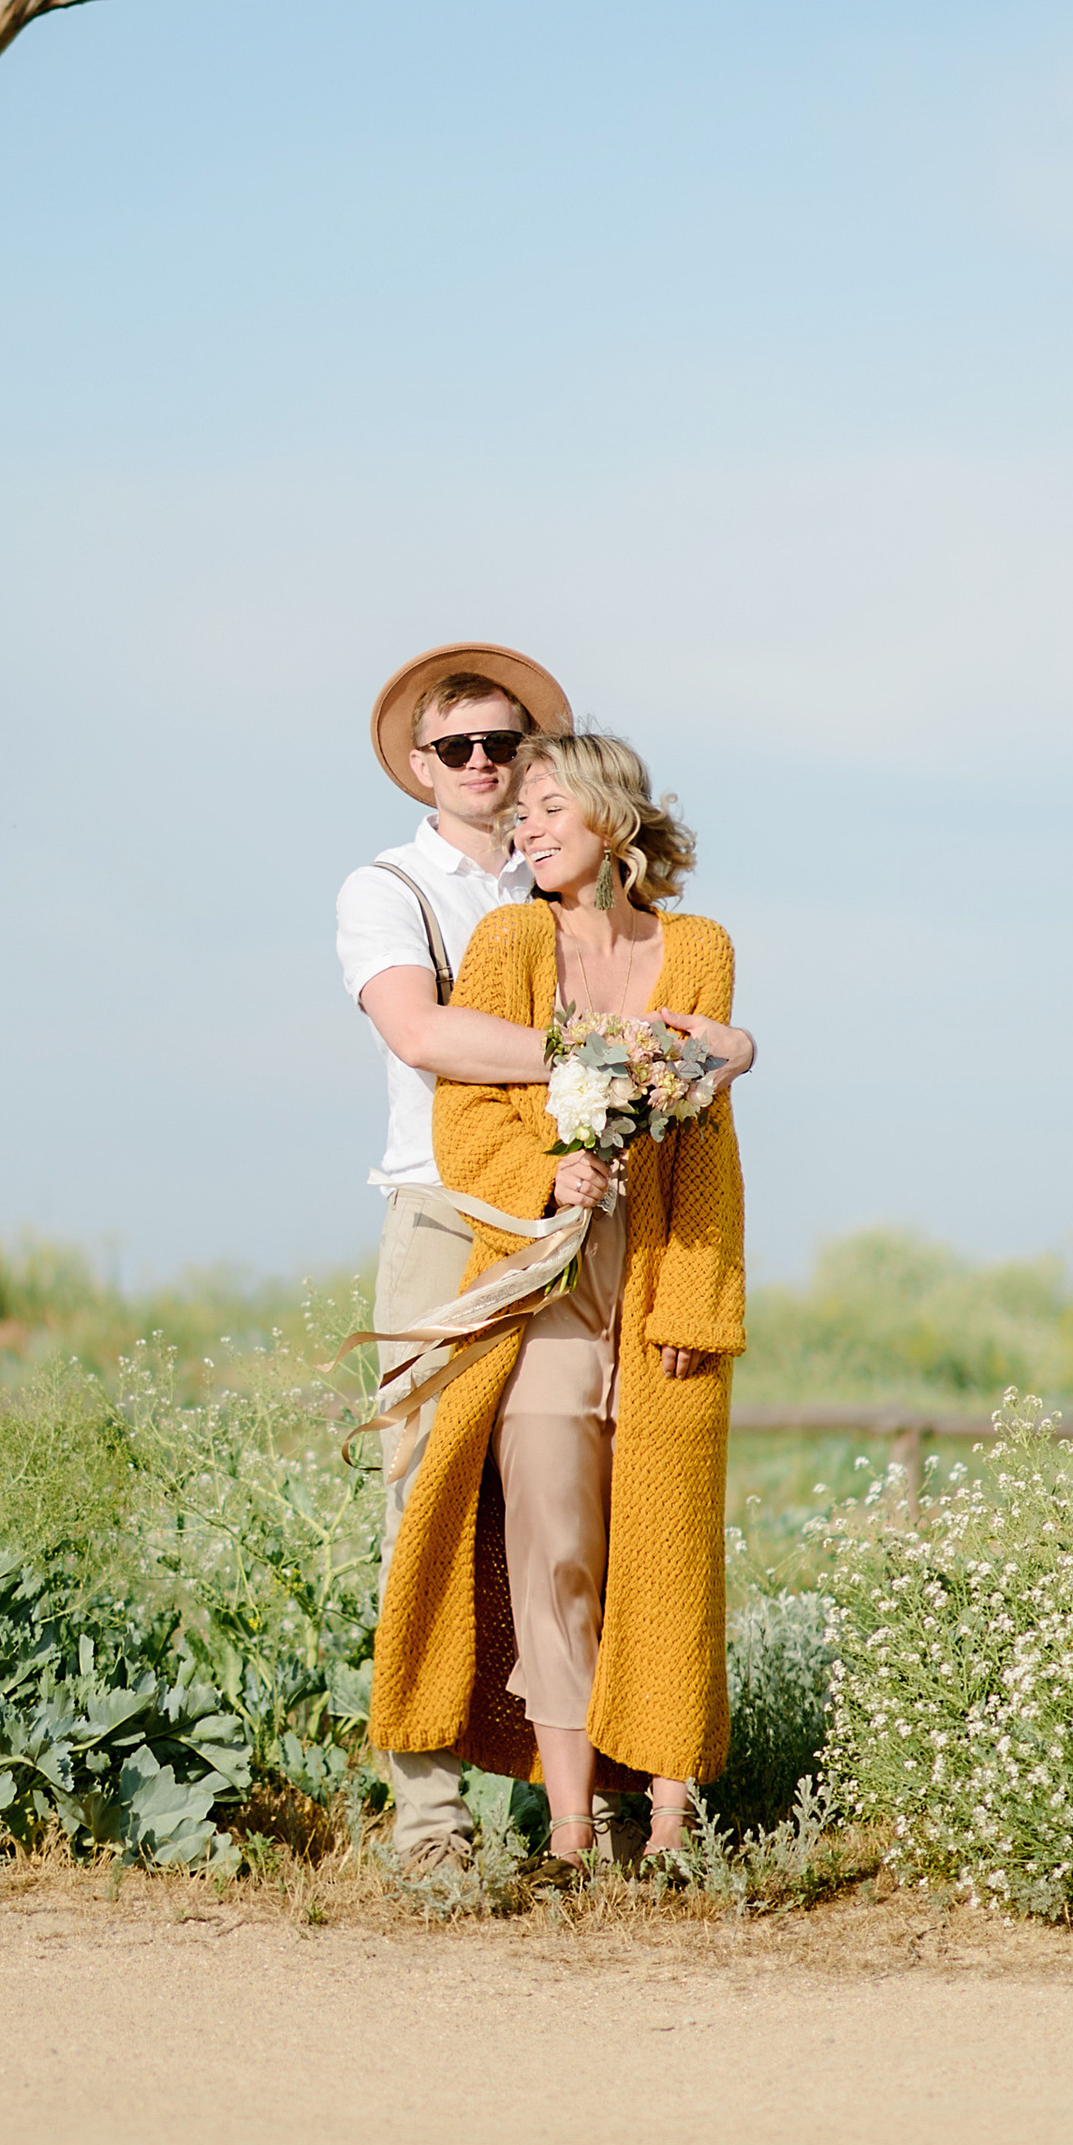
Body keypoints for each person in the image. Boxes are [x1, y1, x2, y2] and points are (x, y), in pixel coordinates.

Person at [368, 729, 753, 1864]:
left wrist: (695, 1306)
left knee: (667, 1546)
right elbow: (465, 1109)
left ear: (610, 818)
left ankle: (673, 1829)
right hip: (542, 1277)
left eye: (546, 807)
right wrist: (548, 1172)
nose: (525, 828)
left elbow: (708, 1142)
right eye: (520, 812)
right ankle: (572, 1836)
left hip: (663, 1269)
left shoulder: (699, 946)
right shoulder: (506, 938)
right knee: (555, 1547)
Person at [336, 644, 576, 1872]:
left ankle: (577, 1809)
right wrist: (597, 1048)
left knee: (565, 1511)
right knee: (425, 1505)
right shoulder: (386, 888)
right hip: (442, 1216)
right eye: (455, 746)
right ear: (419, 767)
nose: (481, 762)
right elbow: (421, 1033)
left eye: (501, 742)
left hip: (574, 1213)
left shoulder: (573, 876)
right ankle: (428, 1822)